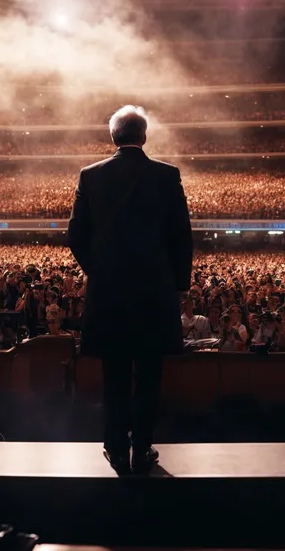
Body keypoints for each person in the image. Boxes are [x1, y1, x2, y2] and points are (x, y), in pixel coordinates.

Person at [68, 105, 193, 475]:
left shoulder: (90, 176)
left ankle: (116, 450)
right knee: (150, 375)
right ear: (144, 136)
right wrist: (177, 285)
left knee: (115, 375)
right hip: (155, 295)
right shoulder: (167, 176)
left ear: (113, 137)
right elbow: (182, 237)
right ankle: (143, 448)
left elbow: (75, 236)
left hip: (110, 296)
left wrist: (101, 272)